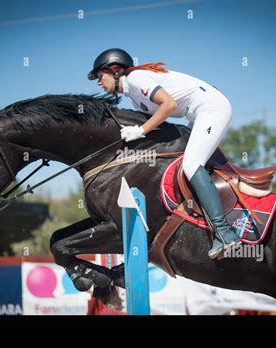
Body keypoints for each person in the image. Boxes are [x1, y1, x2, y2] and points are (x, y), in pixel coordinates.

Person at [88, 48, 241, 259]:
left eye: (100, 76)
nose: (98, 82)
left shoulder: (135, 78)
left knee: (191, 164)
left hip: (211, 108)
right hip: (197, 113)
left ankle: (225, 232)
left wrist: (141, 130)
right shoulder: (133, 97)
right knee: (182, 160)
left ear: (115, 71)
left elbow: (169, 105)